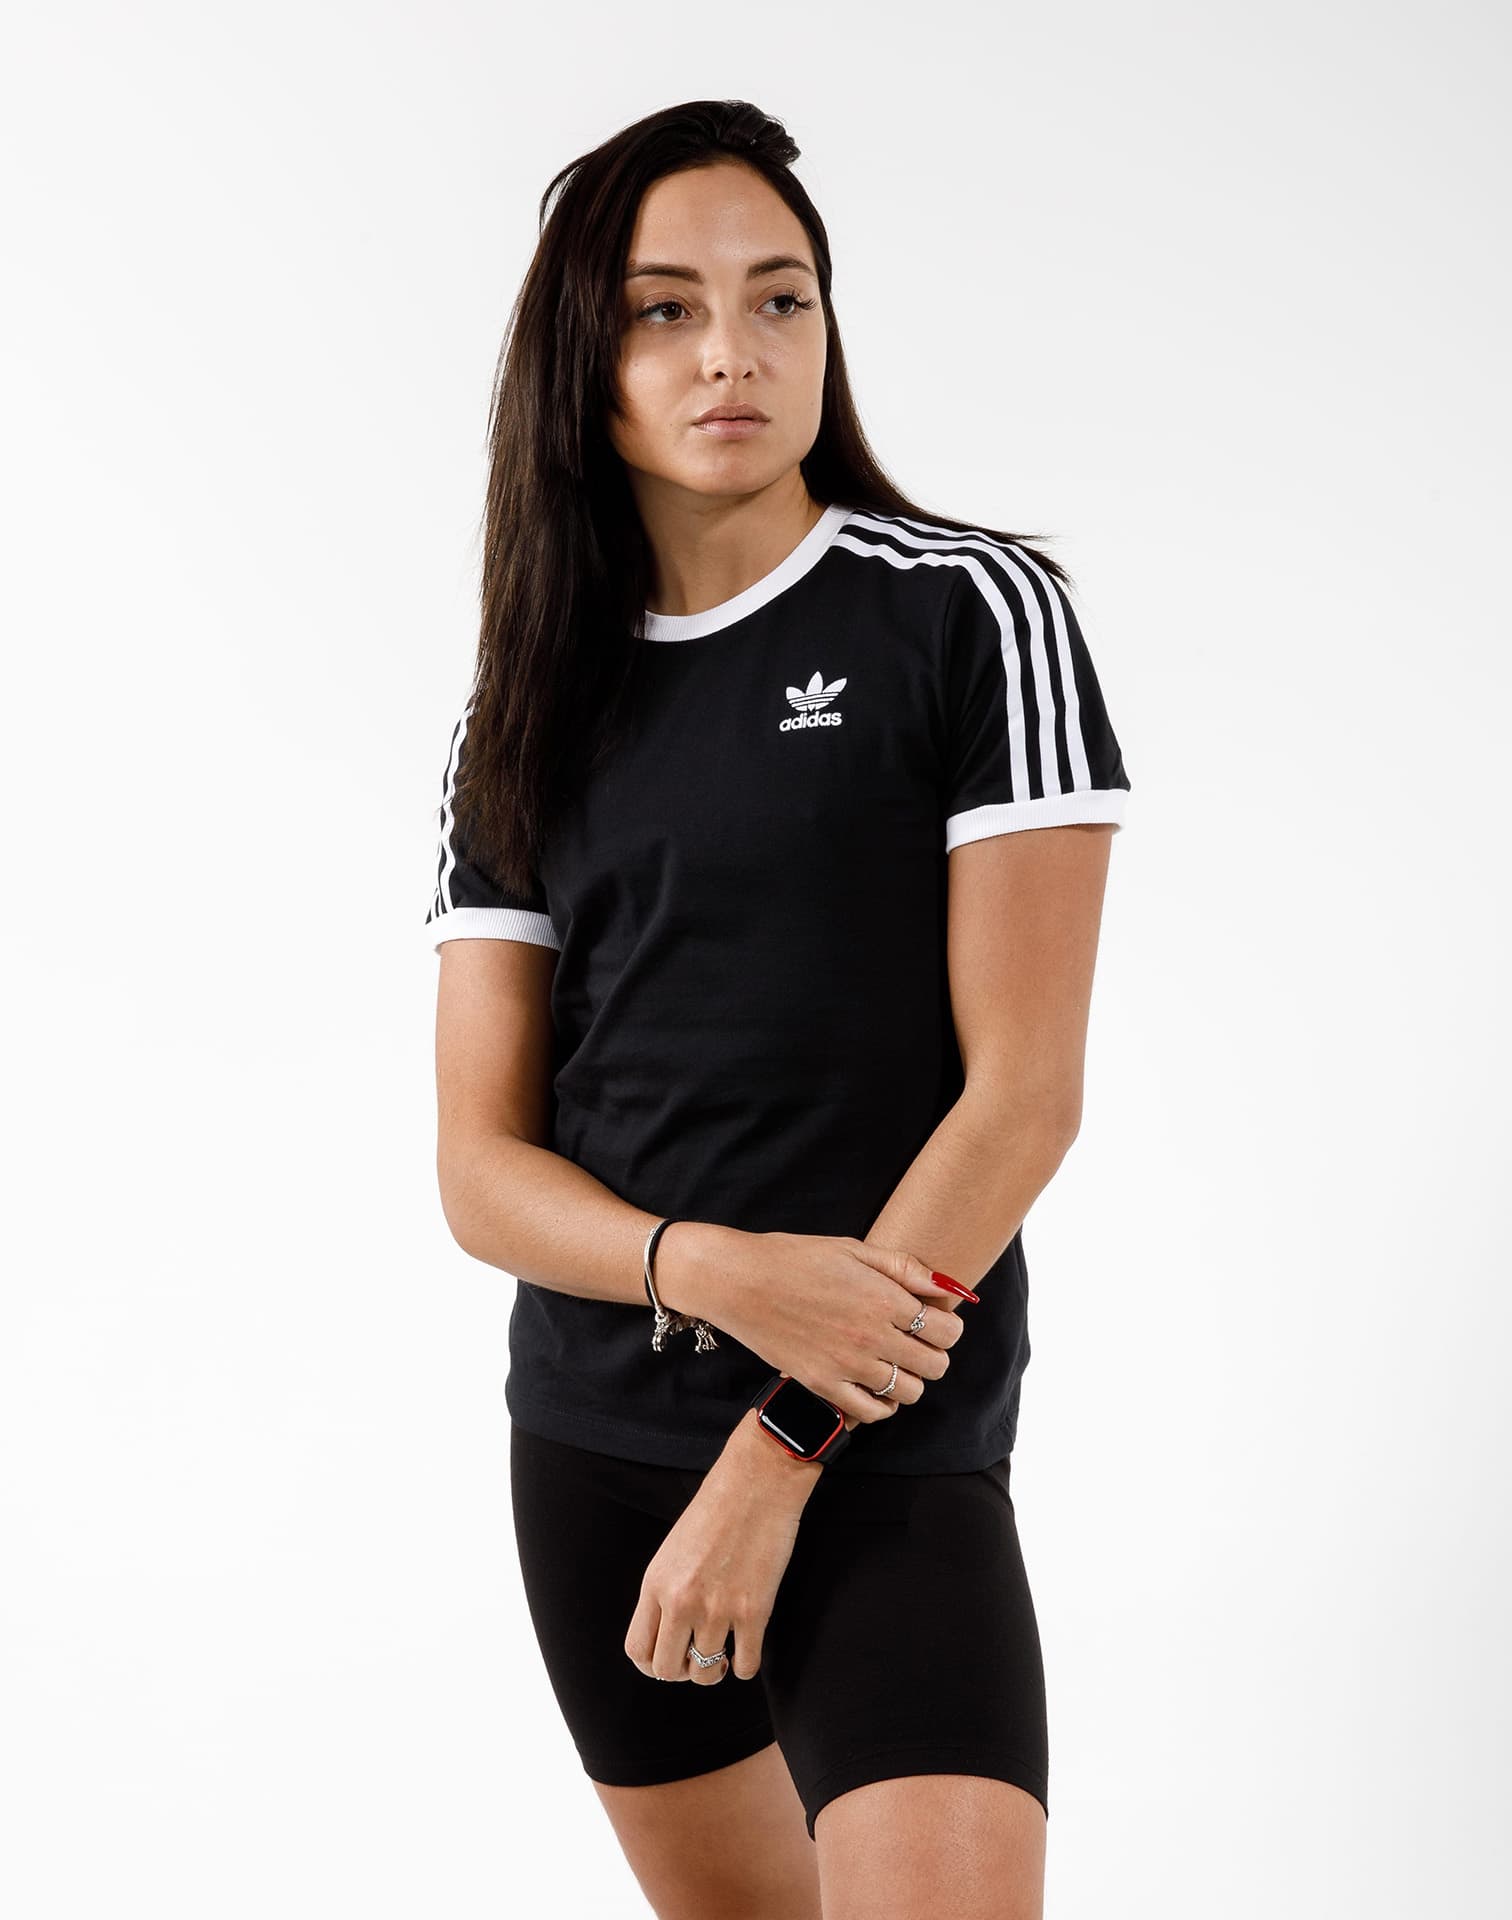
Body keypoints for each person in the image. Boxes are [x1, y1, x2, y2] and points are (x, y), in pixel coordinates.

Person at [424, 98, 1130, 1920]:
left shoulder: (970, 614)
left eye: (779, 297)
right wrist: (715, 1270)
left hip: (882, 1451)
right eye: (665, 309)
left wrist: (780, 1443)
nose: (731, 350)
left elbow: (1023, 1098)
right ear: (581, 364)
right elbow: (482, 1173)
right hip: (595, 1454)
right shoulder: (522, 713)